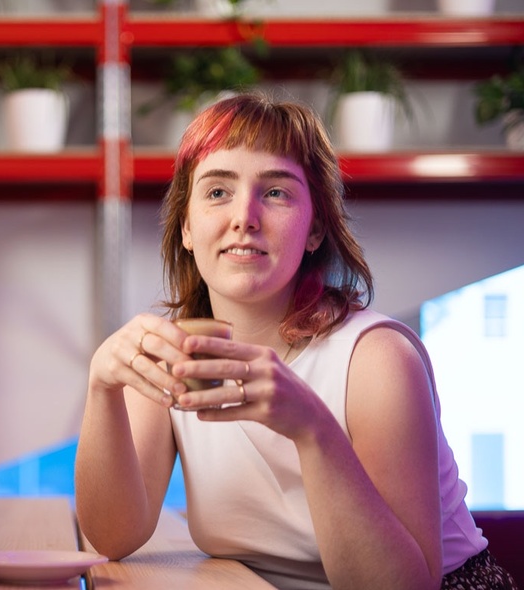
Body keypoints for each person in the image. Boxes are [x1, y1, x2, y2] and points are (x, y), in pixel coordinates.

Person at [74, 93, 518, 590]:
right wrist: (101, 389)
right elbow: (112, 539)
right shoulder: (175, 358)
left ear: (315, 229)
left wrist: (311, 427)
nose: (245, 216)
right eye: (217, 192)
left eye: (277, 193)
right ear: (186, 229)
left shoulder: (376, 359)